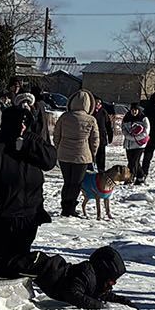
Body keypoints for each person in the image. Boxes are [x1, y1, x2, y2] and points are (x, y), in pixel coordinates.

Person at [0, 97, 58, 275]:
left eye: (25, 123)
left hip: (28, 215)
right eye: (19, 124)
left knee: (19, 264)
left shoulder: (31, 141)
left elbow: (49, 160)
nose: (22, 128)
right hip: (0, 219)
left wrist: (27, 144)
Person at [21, 244, 133, 309]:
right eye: (112, 280)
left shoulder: (95, 280)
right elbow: (72, 294)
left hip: (46, 270)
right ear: (103, 272)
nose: (113, 284)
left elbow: (104, 295)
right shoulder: (86, 274)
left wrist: (125, 302)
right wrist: (101, 306)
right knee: (16, 264)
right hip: (43, 268)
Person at [55, 89, 101, 218]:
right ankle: (71, 208)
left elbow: (56, 135)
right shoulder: (90, 119)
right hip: (82, 156)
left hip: (64, 154)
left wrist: (58, 148)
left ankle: (64, 207)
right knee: (76, 183)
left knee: (67, 182)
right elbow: (95, 140)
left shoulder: (64, 116)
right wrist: (92, 154)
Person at [121, 102, 150, 183]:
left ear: (138, 110)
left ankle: (130, 177)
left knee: (134, 162)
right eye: (133, 110)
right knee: (131, 161)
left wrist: (135, 138)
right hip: (129, 144)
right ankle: (141, 176)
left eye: (136, 110)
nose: (134, 111)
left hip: (139, 145)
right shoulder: (126, 118)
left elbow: (146, 132)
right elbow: (123, 128)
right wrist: (128, 136)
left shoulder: (143, 118)